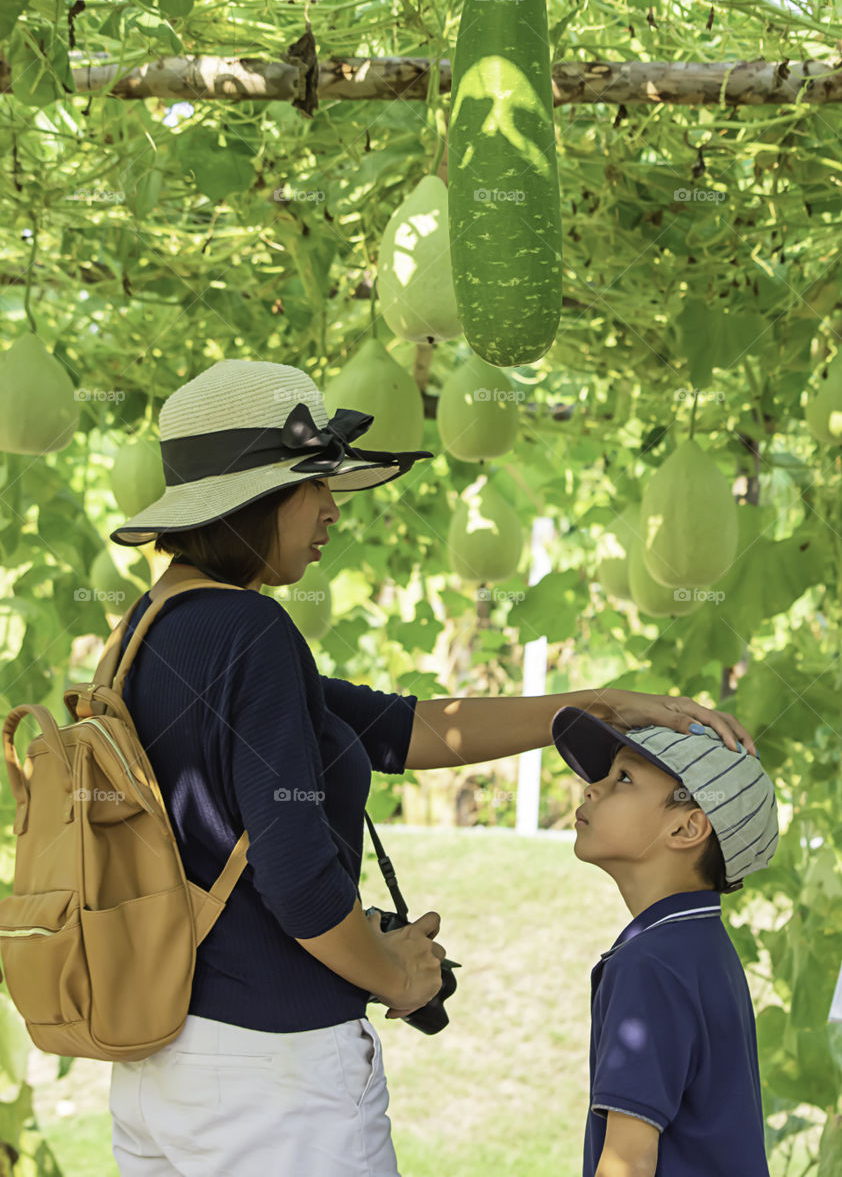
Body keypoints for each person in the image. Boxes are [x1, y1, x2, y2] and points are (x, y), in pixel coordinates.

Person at [105, 356, 760, 1176]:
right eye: (317, 486)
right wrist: (398, 976)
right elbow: (302, 885)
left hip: (164, 1067)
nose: (332, 510)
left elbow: (400, 729)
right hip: (272, 1087)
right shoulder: (252, 633)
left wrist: (603, 706)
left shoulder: (151, 630)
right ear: (257, 495)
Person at [552, 706, 779, 1177]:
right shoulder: (700, 947)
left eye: (625, 779)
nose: (592, 787)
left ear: (687, 828)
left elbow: (628, 1162)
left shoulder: (649, 964)